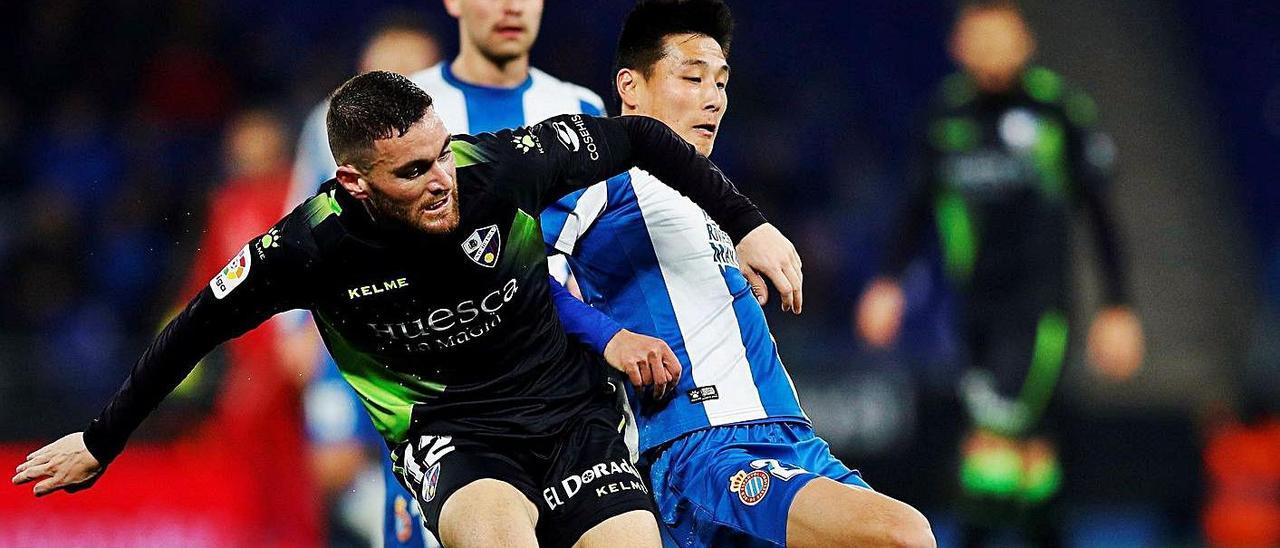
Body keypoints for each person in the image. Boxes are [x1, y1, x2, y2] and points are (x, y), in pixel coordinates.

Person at [13, 70, 801, 548]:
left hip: (572, 418)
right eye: (414, 170)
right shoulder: (306, 249)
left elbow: (641, 138)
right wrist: (101, 438)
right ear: (354, 183)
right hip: (453, 433)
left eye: (441, 152)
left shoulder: (495, 168)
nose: (441, 181)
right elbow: (194, 329)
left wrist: (751, 224)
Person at [540, 1, 935, 547]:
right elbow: (519, 280)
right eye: (692, 78)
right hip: (704, 445)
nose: (713, 99)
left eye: (721, 83)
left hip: (793, 438)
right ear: (630, 86)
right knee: (901, 534)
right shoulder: (598, 173)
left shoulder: (712, 193)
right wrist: (612, 338)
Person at [854, 1, 1145, 545]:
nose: (990, 49)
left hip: (1040, 308)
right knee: (1024, 449)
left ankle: (975, 536)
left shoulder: (1059, 112)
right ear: (958, 46)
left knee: (999, 432)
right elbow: (915, 207)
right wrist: (887, 284)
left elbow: (1101, 214)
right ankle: (1040, 532)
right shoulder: (945, 118)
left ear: (1024, 41)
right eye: (977, 37)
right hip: (974, 311)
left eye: (1001, 36)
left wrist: (1118, 307)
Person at [286, 13, 443, 547]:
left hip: (432, 322)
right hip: (347, 321)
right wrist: (294, 329)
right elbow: (299, 222)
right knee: (333, 465)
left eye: (410, 73)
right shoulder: (324, 126)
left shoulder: (447, 128)